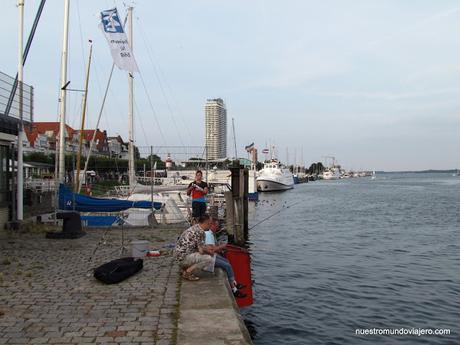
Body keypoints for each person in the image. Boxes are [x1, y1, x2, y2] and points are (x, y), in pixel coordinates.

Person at [204, 219, 246, 298]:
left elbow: (212, 248)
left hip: (210, 255)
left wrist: (219, 247)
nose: (217, 228)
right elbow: (211, 250)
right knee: (227, 266)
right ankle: (234, 289)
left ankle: (234, 283)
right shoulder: (209, 234)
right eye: (216, 226)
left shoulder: (211, 234)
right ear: (212, 225)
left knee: (227, 261)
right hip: (207, 258)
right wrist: (221, 246)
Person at [174, 214, 214, 281]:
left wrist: (206, 248)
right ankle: (188, 272)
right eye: (210, 223)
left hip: (178, 256)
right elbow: (201, 250)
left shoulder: (195, 227)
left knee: (197, 253)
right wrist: (210, 251)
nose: (211, 225)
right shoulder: (200, 232)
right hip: (183, 258)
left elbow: (197, 246)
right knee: (208, 259)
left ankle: (184, 269)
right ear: (206, 222)